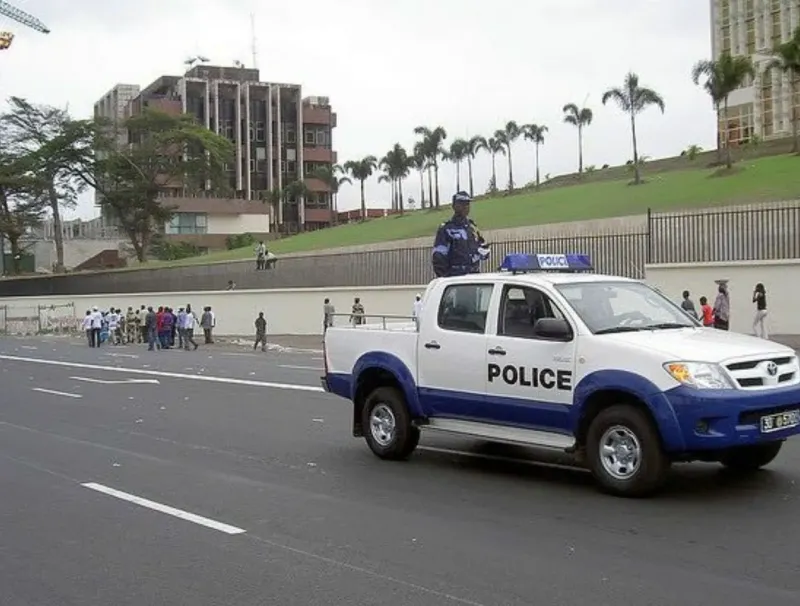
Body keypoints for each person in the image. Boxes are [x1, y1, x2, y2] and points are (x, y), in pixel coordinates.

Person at [431, 191, 490, 278]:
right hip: (455, 278)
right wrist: (445, 278)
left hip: (474, 276)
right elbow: (438, 257)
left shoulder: (472, 227)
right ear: (454, 206)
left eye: (467, 204)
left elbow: (484, 248)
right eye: (462, 204)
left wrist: (481, 253)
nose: (465, 207)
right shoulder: (447, 229)